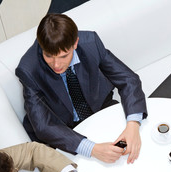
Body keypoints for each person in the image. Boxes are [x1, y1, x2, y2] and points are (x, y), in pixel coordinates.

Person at [16, 13, 148, 164]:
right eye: (49, 56)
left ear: (75, 43)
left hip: (98, 110)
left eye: (64, 56)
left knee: (132, 153)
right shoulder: (28, 69)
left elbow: (128, 79)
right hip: (62, 131)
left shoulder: (91, 43)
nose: (56, 65)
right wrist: (92, 149)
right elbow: (44, 125)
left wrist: (133, 125)